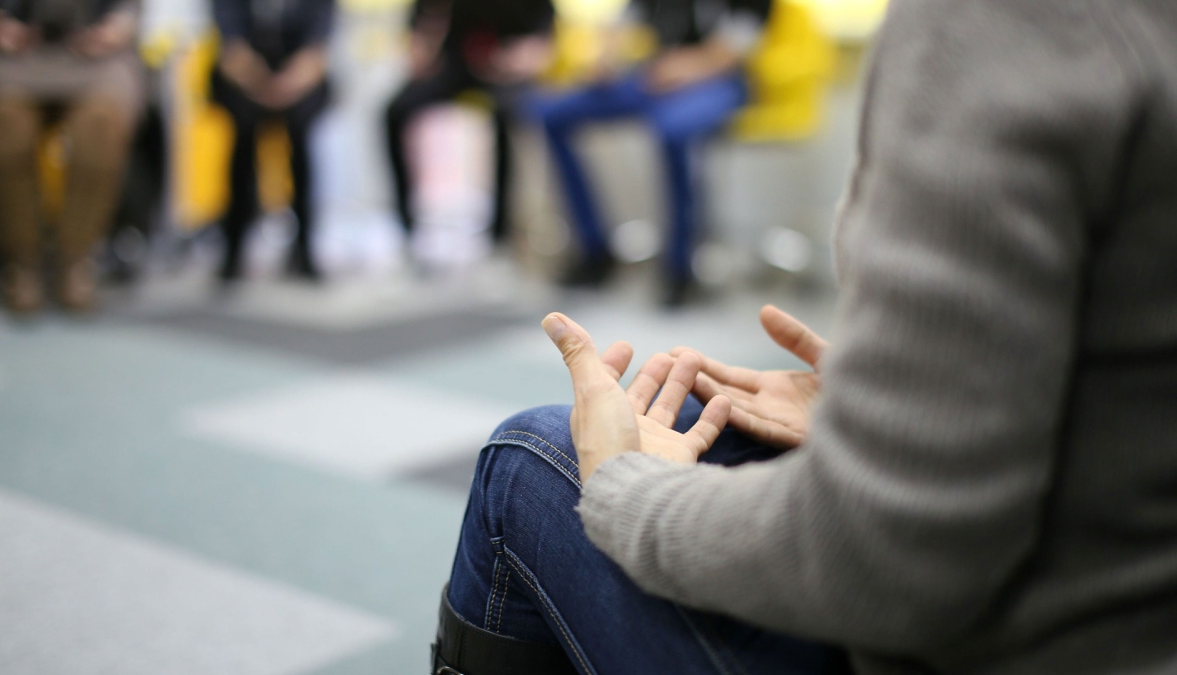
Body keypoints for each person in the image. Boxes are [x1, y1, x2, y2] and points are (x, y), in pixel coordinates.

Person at [431, 0, 1177, 673]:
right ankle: (589, 245)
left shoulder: (996, 26)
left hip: (1037, 638)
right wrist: (897, 405)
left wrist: (625, 489)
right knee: (558, 111)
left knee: (529, 458)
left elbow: (891, 559)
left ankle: (679, 267)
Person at [530, 0, 770, 307]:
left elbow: (735, 47)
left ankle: (681, 268)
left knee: (673, 130)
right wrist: (604, 59)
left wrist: (687, 67)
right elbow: (623, 21)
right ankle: (594, 249)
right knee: (553, 115)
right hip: (656, 75)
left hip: (718, 80)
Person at [0, 0, 141, 313]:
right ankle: (22, 262)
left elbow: (131, 7)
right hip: (13, 55)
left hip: (95, 56)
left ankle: (76, 258)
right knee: (5, 124)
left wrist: (118, 26)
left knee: (100, 126)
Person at [383, 0, 555, 249]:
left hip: (505, 69)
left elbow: (542, 42)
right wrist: (426, 38)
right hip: (456, 63)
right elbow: (420, 39)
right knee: (396, 110)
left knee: (509, 117)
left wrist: (522, 56)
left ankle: (502, 231)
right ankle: (405, 223)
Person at [210, 0, 334, 282]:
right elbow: (231, 47)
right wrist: (259, 82)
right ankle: (233, 249)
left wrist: (287, 85)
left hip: (297, 79)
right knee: (242, 137)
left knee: (301, 138)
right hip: (247, 78)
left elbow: (316, 49)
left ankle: (305, 248)